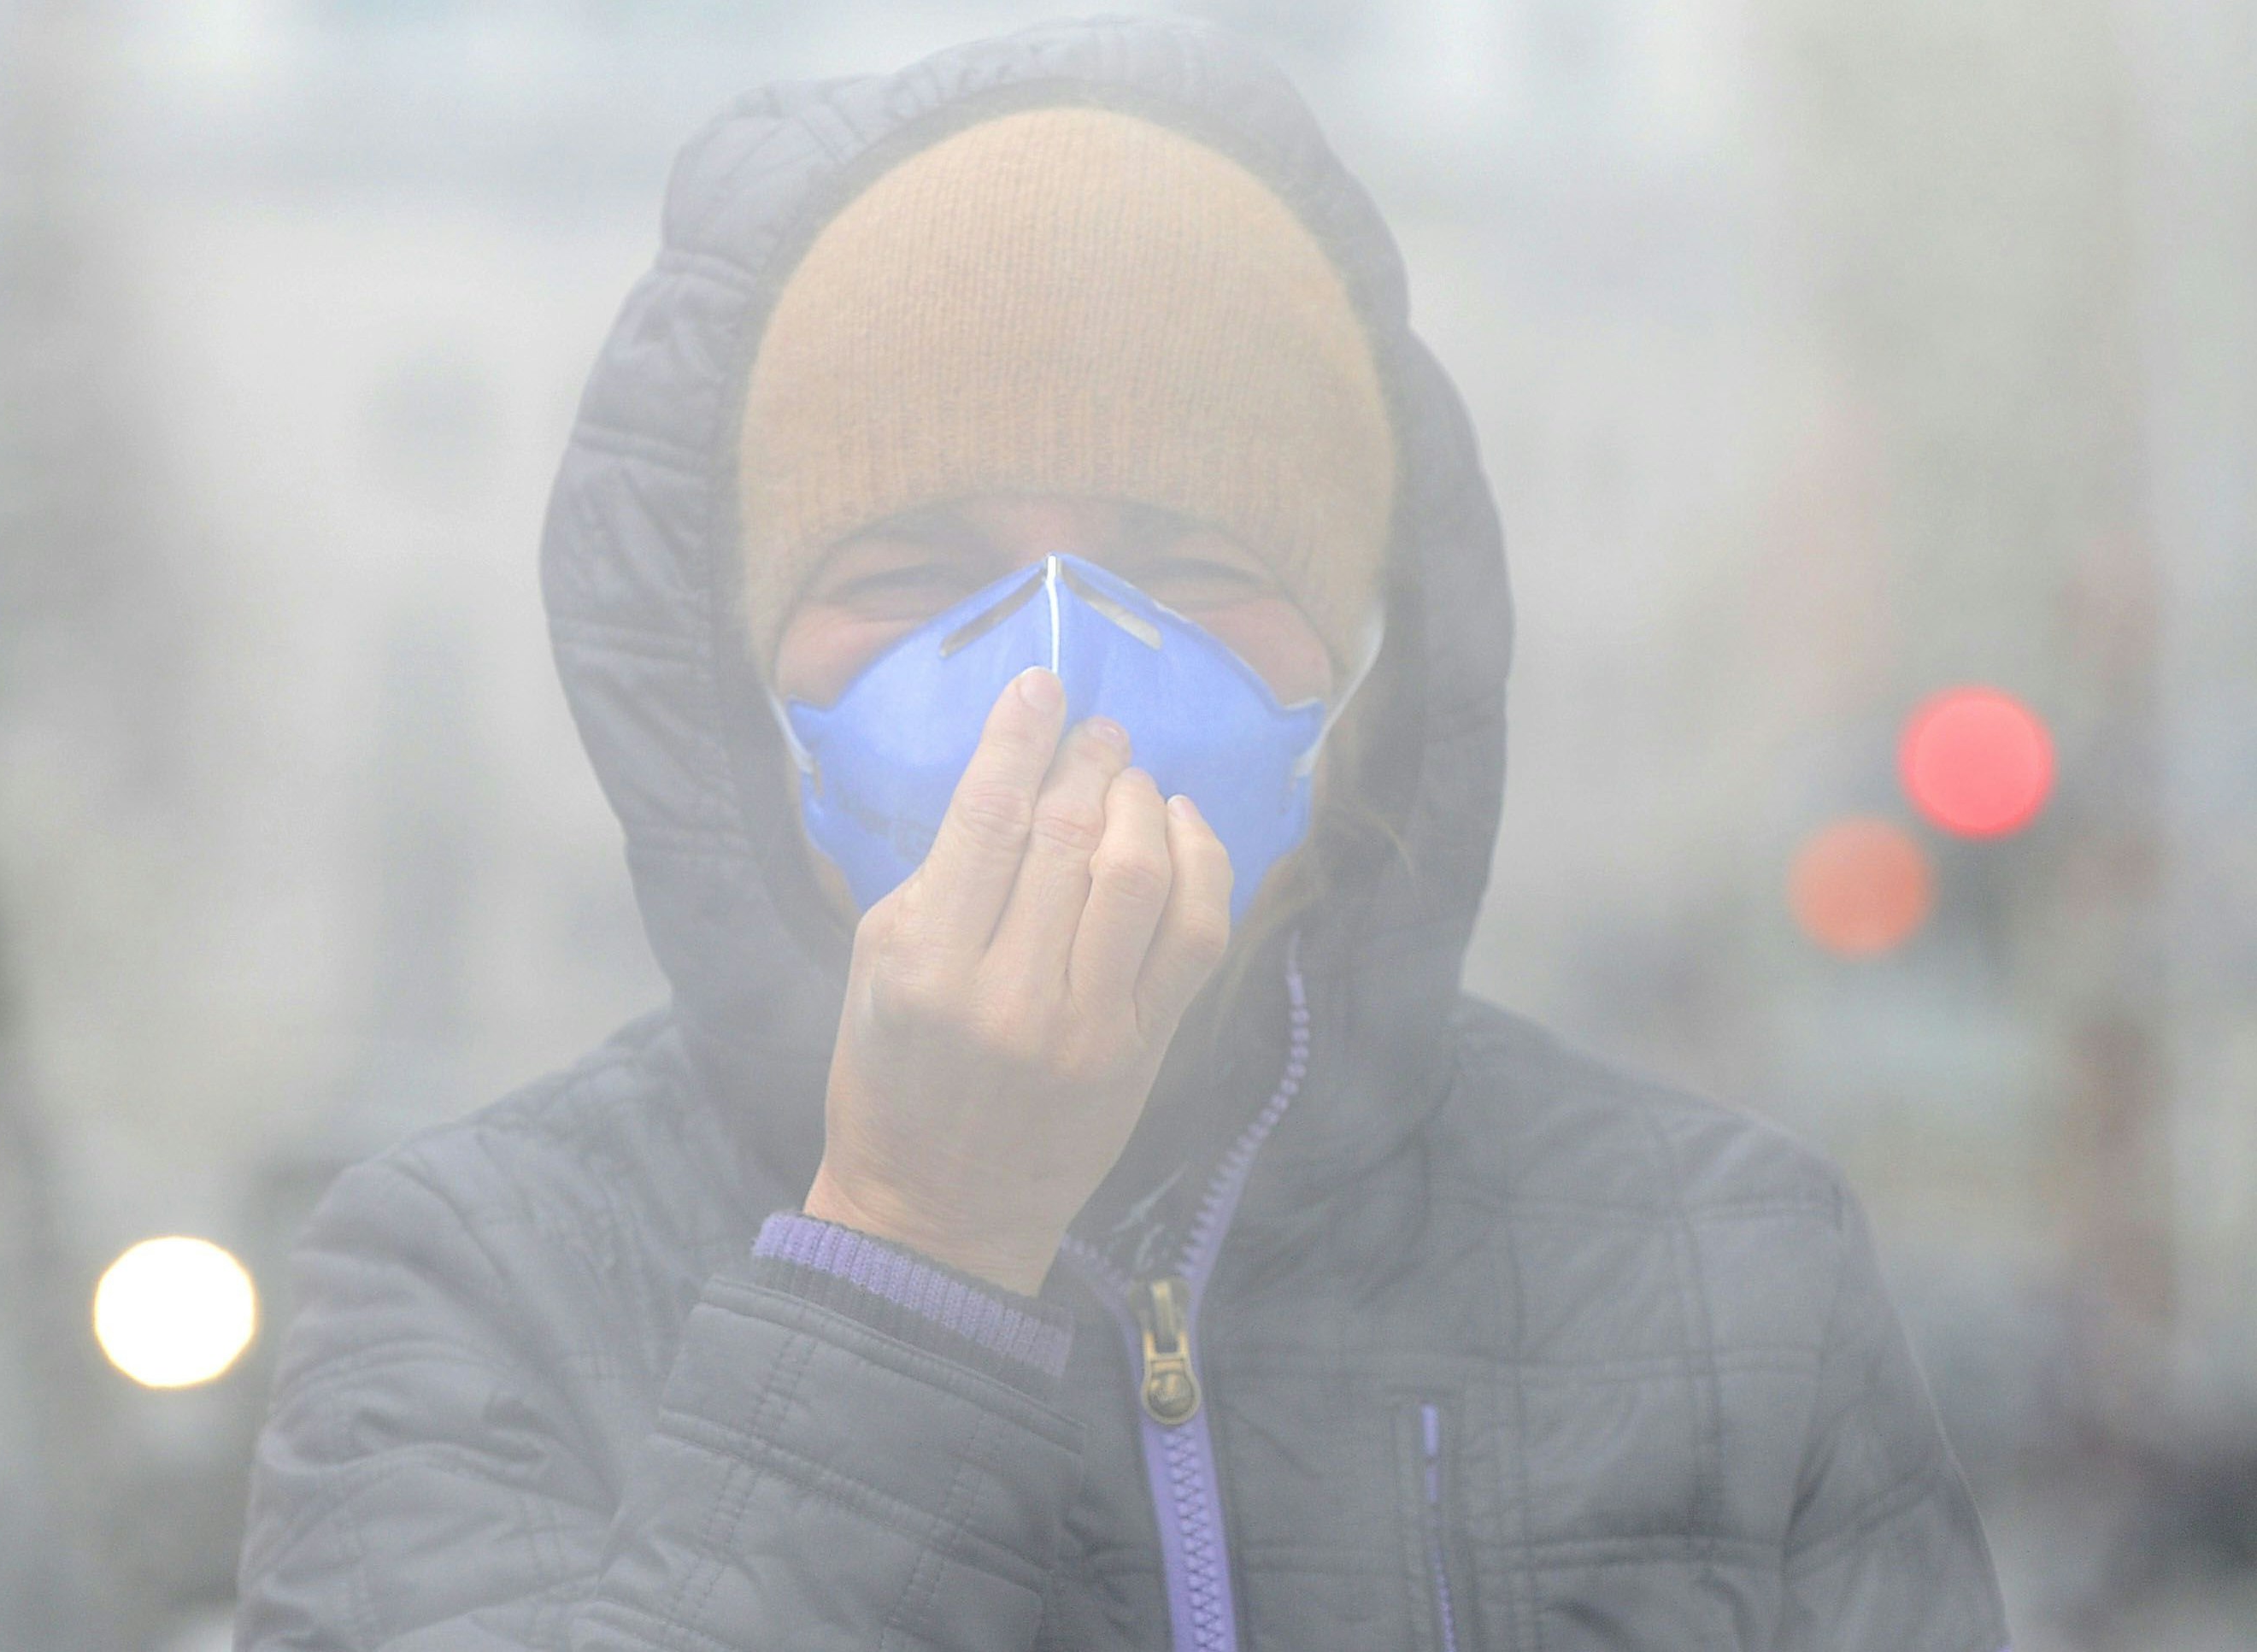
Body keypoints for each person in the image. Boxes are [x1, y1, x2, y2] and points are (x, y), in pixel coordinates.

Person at [237, 18, 2009, 1651]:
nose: (1055, 671)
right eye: (917, 573)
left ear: (1353, 672)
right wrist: (908, 1248)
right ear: (741, 669)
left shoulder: (1724, 1277)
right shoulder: (475, 1283)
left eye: (1182, 567)